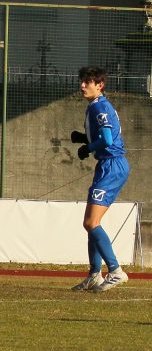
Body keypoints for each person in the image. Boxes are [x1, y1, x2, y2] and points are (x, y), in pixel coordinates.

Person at [70, 66, 130, 292]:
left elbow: (106, 139)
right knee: (90, 223)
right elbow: (108, 134)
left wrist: (88, 147)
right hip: (108, 165)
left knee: (91, 223)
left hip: (112, 165)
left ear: (100, 85)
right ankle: (95, 274)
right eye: (82, 81)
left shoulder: (100, 107)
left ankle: (115, 271)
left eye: (87, 82)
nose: (82, 86)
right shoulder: (96, 106)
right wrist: (83, 137)